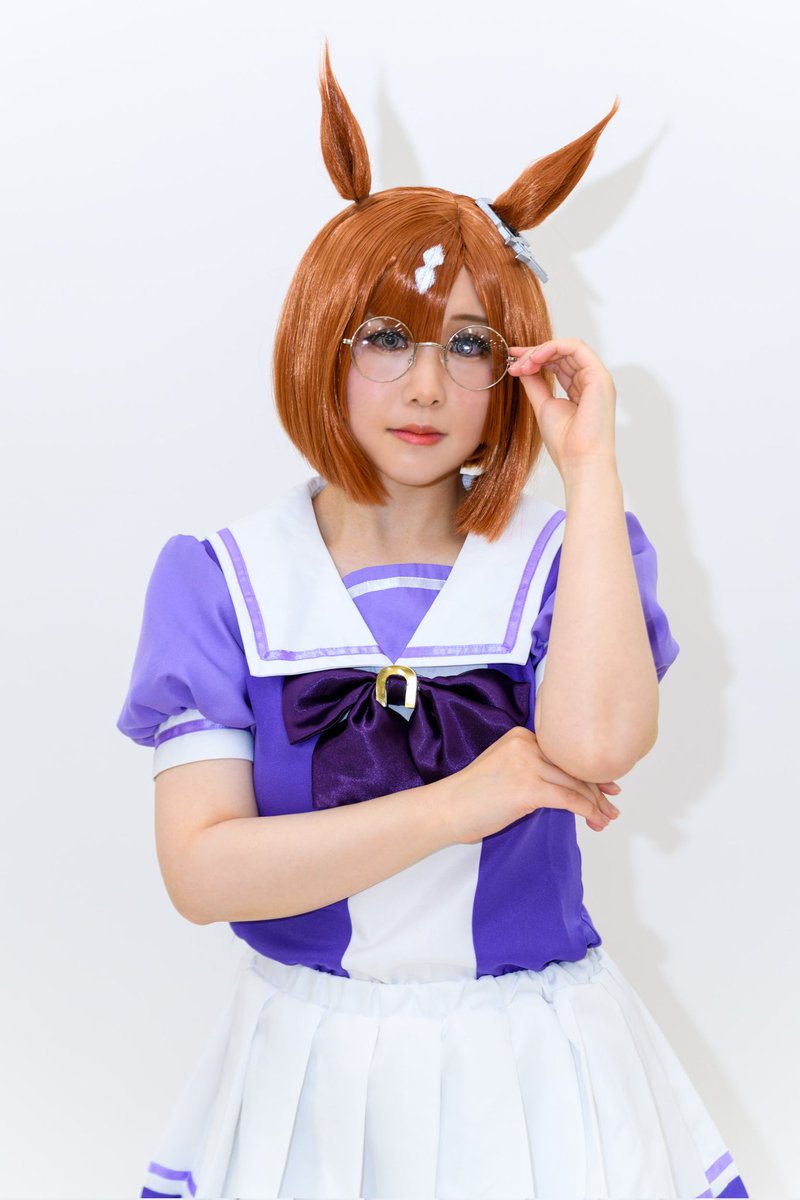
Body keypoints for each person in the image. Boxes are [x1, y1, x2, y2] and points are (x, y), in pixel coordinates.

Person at [117, 46, 749, 1200]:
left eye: (467, 346)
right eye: (385, 337)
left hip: (535, 1068)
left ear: (511, 368)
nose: (424, 388)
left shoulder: (569, 556)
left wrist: (588, 466)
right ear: (320, 341)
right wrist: (460, 803)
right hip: (305, 1068)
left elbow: (598, 744)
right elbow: (201, 872)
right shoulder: (221, 580)